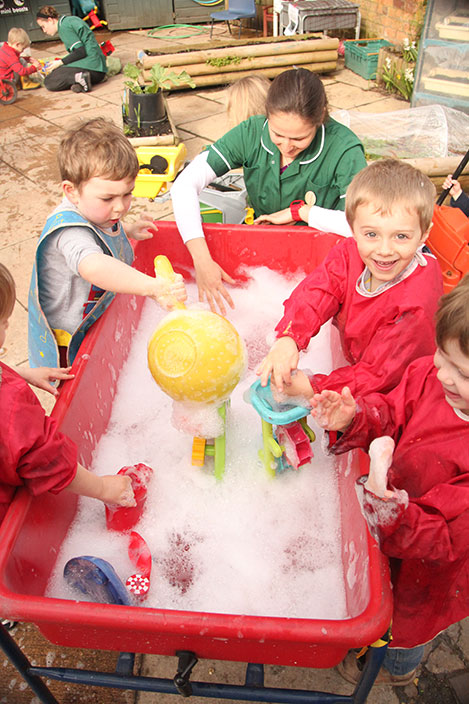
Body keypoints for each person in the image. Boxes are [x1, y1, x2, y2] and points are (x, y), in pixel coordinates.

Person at [308, 275, 469, 685]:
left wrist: (393, 514)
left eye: (463, 373)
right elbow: (391, 413)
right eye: (442, 354)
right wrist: (354, 416)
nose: (443, 374)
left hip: (430, 571)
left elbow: (444, 538)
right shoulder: (430, 377)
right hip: (393, 512)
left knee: (405, 619)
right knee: (381, 592)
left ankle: (397, 668)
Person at [171, 67, 367, 314]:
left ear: (321, 117)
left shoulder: (344, 150)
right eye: (277, 134)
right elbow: (184, 185)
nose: (286, 146)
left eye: (299, 138)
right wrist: (202, 261)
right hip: (263, 256)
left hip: (319, 258)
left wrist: (302, 213)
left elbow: (363, 226)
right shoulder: (252, 132)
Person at [257, 159, 444, 399]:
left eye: (401, 236)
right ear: (352, 228)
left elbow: (381, 375)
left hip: (397, 395)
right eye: (371, 234)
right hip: (361, 367)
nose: (384, 250)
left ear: (423, 235)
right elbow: (317, 292)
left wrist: (313, 388)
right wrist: (289, 338)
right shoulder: (349, 252)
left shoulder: (416, 306)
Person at [28, 117, 187, 370]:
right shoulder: (68, 233)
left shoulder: (96, 211)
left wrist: (129, 229)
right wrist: (154, 287)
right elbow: (92, 265)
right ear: (71, 192)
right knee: (73, 384)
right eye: (108, 198)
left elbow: (100, 231)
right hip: (68, 339)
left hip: (91, 319)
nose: (120, 207)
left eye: (128, 193)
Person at [0, 263, 136, 527]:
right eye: (4, 322)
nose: (6, 325)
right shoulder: (10, 403)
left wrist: (18, 373)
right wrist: (103, 488)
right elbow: (46, 461)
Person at [36, 5, 107, 93]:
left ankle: (79, 78)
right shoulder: (69, 20)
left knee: (49, 81)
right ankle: (80, 82)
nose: (44, 30)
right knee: (59, 70)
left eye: (43, 26)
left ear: (50, 20)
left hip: (93, 69)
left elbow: (80, 52)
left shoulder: (64, 27)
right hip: (99, 69)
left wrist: (60, 62)